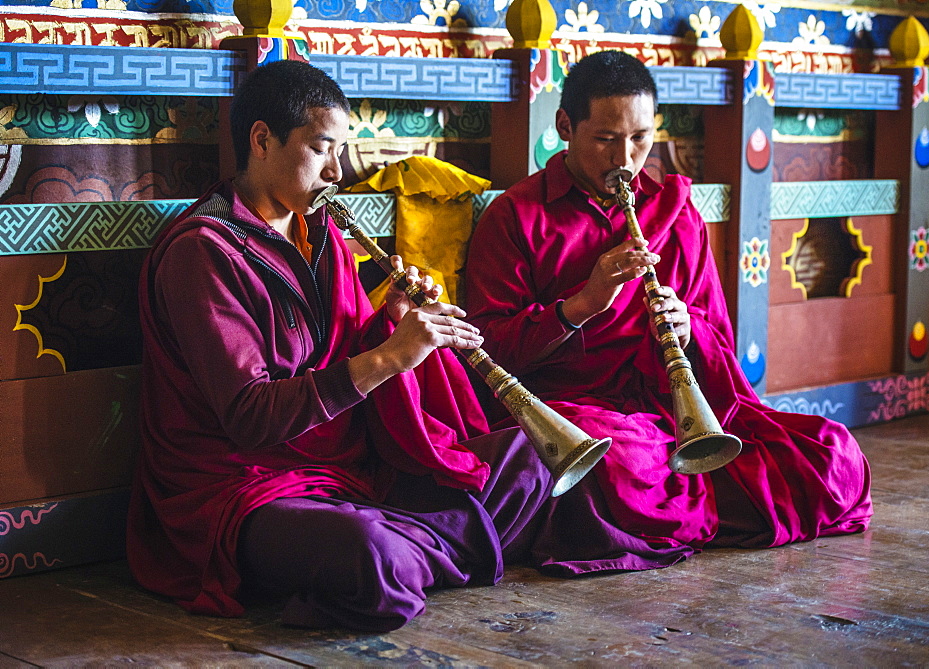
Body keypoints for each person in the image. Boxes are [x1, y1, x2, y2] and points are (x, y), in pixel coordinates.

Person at [127, 59, 688, 634]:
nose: (338, 172)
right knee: (371, 552)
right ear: (262, 139)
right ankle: (418, 548)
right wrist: (390, 356)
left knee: (532, 460)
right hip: (242, 486)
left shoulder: (319, 233)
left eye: (341, 152)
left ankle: (417, 550)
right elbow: (250, 417)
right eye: (323, 150)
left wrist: (395, 321)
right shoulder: (203, 253)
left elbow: (347, 347)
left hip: (348, 469)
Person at [465, 50, 873, 554]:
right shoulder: (516, 217)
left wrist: (687, 329)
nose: (625, 160)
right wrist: (581, 306)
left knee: (834, 456)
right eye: (606, 140)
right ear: (566, 125)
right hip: (580, 410)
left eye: (640, 139)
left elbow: (717, 336)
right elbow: (486, 354)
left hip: (676, 406)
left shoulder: (676, 212)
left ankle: (668, 508)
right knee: (622, 465)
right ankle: (678, 503)